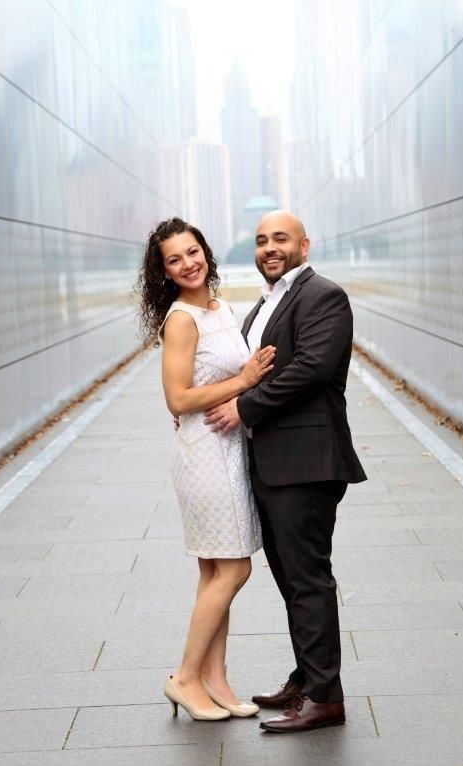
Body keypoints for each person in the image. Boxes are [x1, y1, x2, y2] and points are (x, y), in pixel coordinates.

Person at [204, 210, 367, 733]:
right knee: (291, 578)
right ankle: (307, 678)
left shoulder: (324, 296)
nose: (269, 247)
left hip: (306, 462)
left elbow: (313, 367)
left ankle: (326, 697)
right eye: (260, 241)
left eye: (280, 239)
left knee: (307, 579)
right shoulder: (265, 302)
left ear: (304, 244)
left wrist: (244, 409)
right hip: (273, 463)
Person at [137, 217, 275, 721]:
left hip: (229, 449)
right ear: (164, 271)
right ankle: (185, 678)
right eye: (174, 259)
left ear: (206, 252)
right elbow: (177, 398)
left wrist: (244, 384)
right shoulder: (180, 320)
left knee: (214, 570)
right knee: (236, 567)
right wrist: (242, 380)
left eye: (192, 252)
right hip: (204, 454)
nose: (187, 264)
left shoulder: (219, 308)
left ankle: (214, 678)